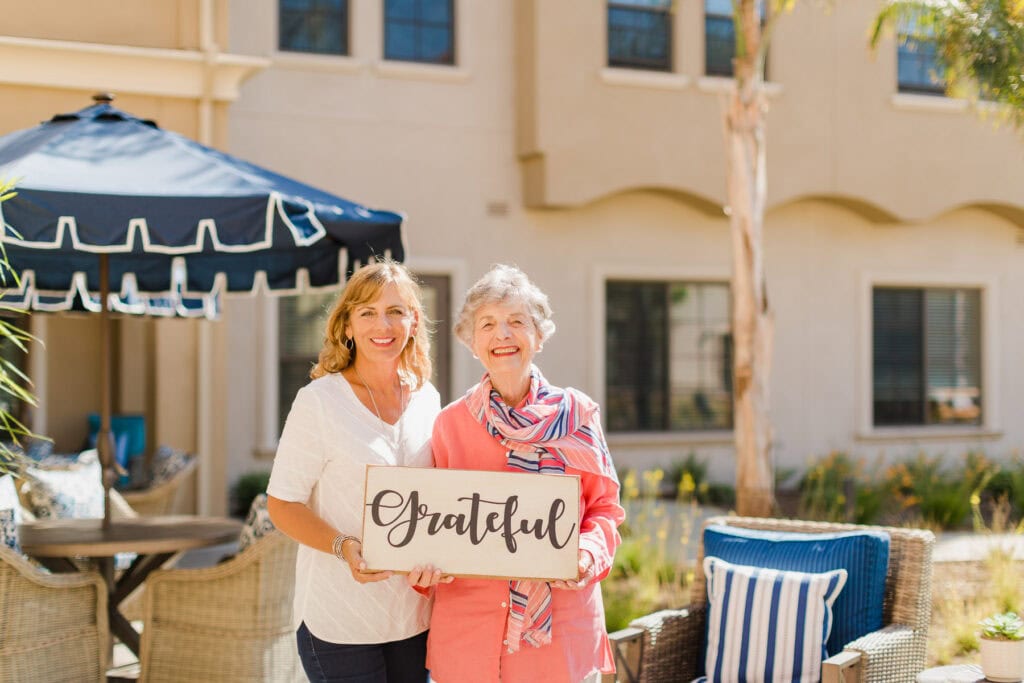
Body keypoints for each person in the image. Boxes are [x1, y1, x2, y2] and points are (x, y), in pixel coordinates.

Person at [425, 264, 625, 683]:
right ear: (471, 340)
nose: (503, 335)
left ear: (538, 335)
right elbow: (432, 523)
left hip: (561, 632)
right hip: (469, 635)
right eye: (488, 324)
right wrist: (424, 565)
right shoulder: (450, 425)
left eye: (517, 321)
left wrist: (587, 554)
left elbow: (604, 510)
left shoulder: (578, 415)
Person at [266, 260, 445, 683]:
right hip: (338, 620)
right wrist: (343, 545)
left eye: (395, 311)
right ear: (347, 326)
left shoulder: (427, 399)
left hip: (413, 617)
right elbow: (282, 503)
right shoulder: (319, 402)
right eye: (367, 313)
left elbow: (436, 500)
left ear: (413, 321)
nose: (382, 325)